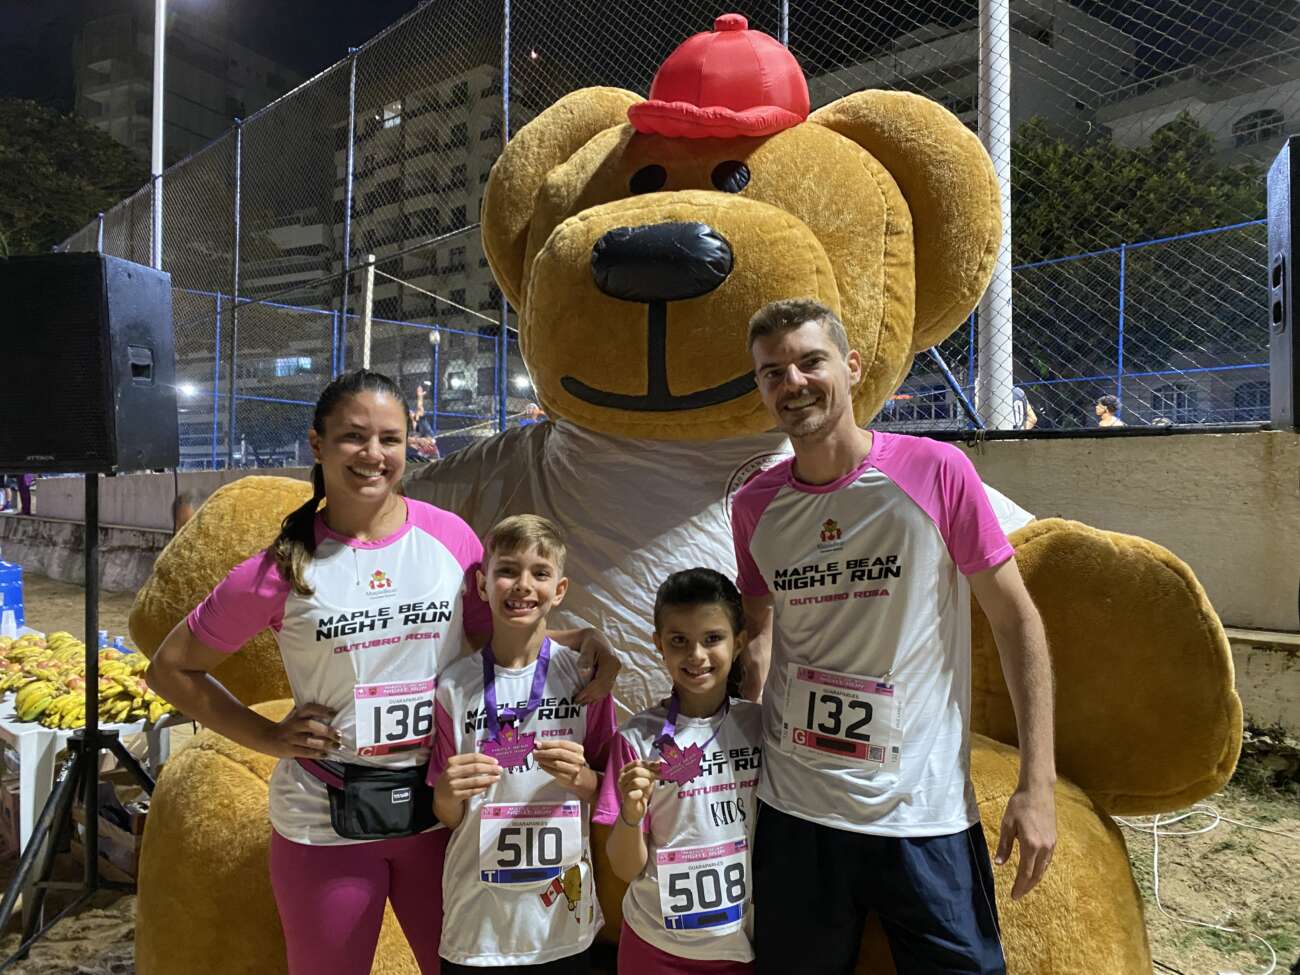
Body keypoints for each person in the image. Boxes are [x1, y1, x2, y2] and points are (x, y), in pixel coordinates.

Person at [145, 370, 619, 975]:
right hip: (326, 819)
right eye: (353, 436)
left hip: (439, 811)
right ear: (317, 444)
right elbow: (172, 669)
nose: (373, 454)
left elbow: (499, 632)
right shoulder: (283, 567)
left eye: (389, 439)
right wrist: (267, 737)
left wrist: (580, 641)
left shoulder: (449, 539)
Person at [732, 298, 1056, 975]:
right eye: (772, 373)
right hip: (796, 810)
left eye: (811, 361)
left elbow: (1016, 620)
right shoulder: (755, 505)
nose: (793, 382)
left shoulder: (936, 470)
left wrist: (1038, 784)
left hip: (921, 813)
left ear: (851, 367)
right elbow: (758, 631)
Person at [431, 515, 617, 973]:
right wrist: (447, 793)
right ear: (482, 584)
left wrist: (584, 779)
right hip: (478, 924)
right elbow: (447, 813)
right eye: (508, 570)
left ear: (560, 589)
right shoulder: (453, 686)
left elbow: (608, 793)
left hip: (561, 926)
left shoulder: (585, 680)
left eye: (540, 572)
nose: (522, 585)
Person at [595, 568, 762, 975]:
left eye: (712, 638)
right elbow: (625, 869)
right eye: (679, 641)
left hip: (739, 945)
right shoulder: (636, 740)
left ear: (738, 642)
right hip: (654, 946)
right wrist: (630, 815)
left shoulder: (761, 728)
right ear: (659, 645)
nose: (696, 655)